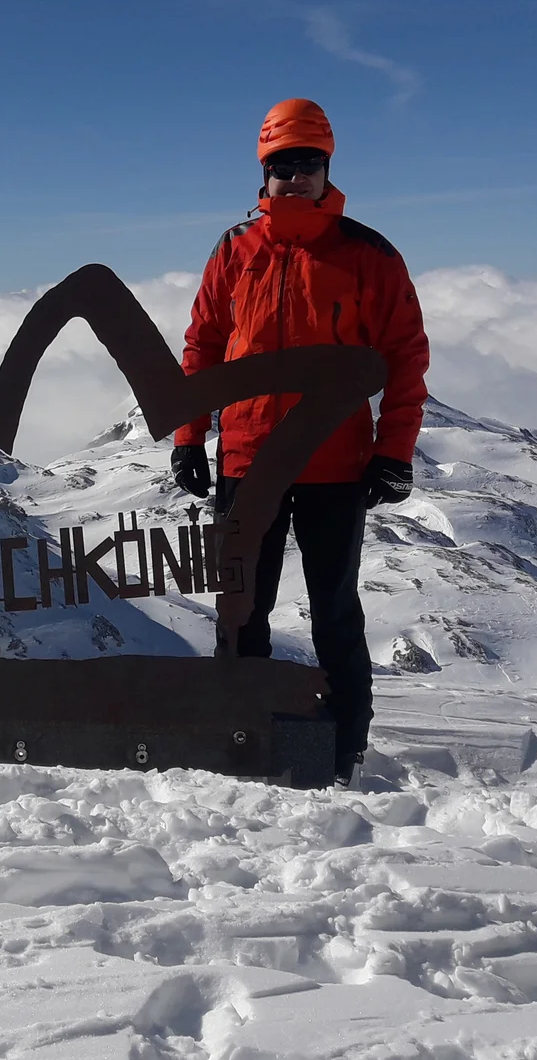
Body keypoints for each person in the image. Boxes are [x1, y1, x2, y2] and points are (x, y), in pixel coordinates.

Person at [170, 98, 430, 783]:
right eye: (282, 164)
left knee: (334, 613)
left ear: (328, 169)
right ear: (264, 171)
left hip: (335, 463)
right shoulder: (235, 248)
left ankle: (344, 751)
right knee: (240, 611)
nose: (295, 176)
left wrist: (394, 452)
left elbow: (405, 357)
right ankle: (240, 737)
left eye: (308, 163)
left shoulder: (368, 254)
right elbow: (203, 345)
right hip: (247, 459)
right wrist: (189, 435)